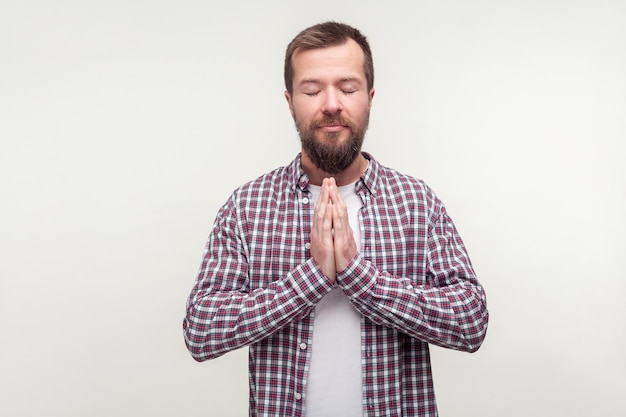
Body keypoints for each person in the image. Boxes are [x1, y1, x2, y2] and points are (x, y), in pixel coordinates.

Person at [183, 21, 488, 417]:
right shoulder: (247, 206)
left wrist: (358, 275)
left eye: (347, 88)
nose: (331, 103)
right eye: (312, 90)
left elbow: (471, 322)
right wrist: (312, 278)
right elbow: (201, 331)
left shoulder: (416, 202)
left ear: (370, 97)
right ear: (290, 101)